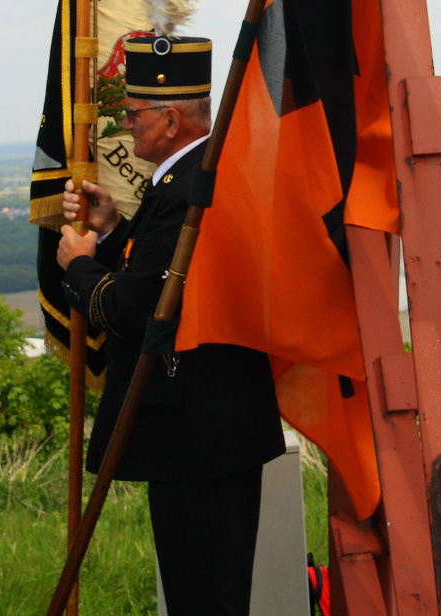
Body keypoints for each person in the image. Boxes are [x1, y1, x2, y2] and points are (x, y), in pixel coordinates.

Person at [57, 31, 286, 616]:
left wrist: (80, 265)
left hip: (198, 441)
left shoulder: (190, 192)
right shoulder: (199, 178)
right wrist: (113, 231)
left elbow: (134, 310)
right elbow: (164, 273)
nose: (126, 125)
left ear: (172, 120)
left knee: (204, 602)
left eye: (133, 114)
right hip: (213, 434)